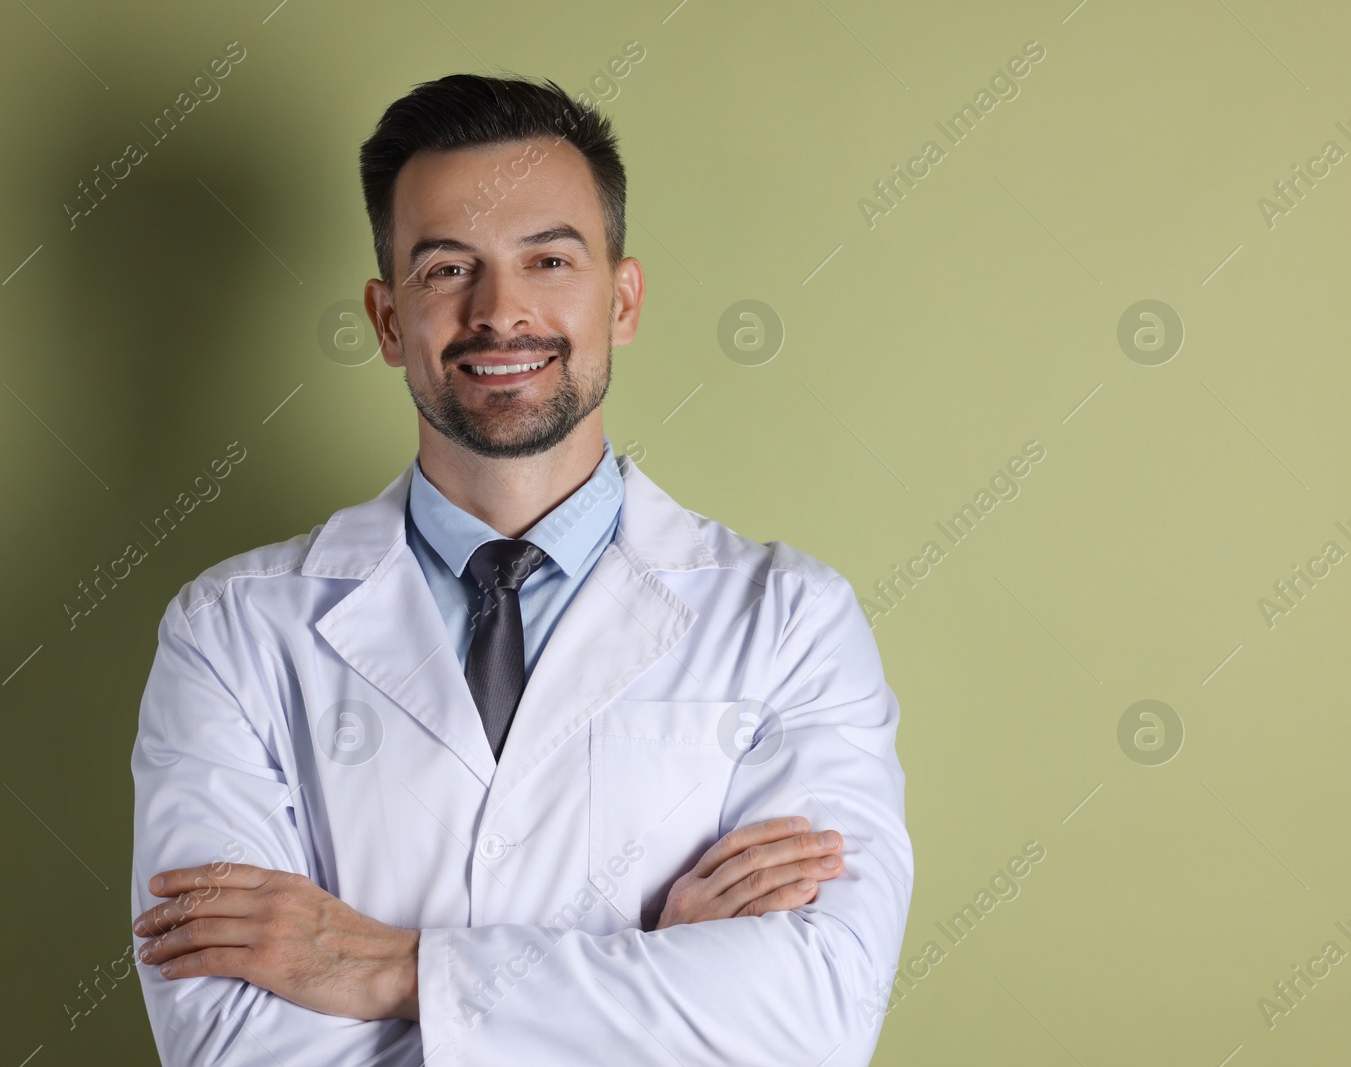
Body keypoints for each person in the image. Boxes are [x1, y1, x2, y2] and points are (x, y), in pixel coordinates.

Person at [129, 73, 912, 1066]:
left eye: (547, 258)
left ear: (620, 299)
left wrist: (390, 967)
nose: (501, 312)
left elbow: (814, 1018)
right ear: (385, 318)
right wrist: (662, 970)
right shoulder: (231, 632)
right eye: (448, 268)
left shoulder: (791, 619)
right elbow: (236, 1046)